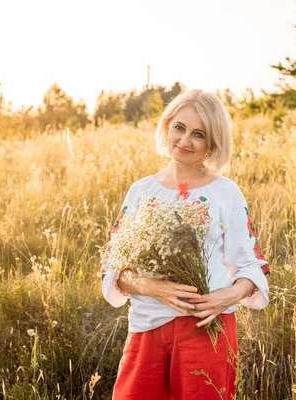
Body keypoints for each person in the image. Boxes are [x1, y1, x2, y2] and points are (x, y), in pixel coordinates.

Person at [100, 89, 270, 399]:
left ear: (212, 143)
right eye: (179, 127)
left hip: (206, 329)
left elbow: (251, 264)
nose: (185, 140)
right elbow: (114, 267)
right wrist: (152, 287)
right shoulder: (141, 191)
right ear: (166, 126)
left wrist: (226, 297)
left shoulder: (225, 192)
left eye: (199, 134)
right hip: (147, 326)